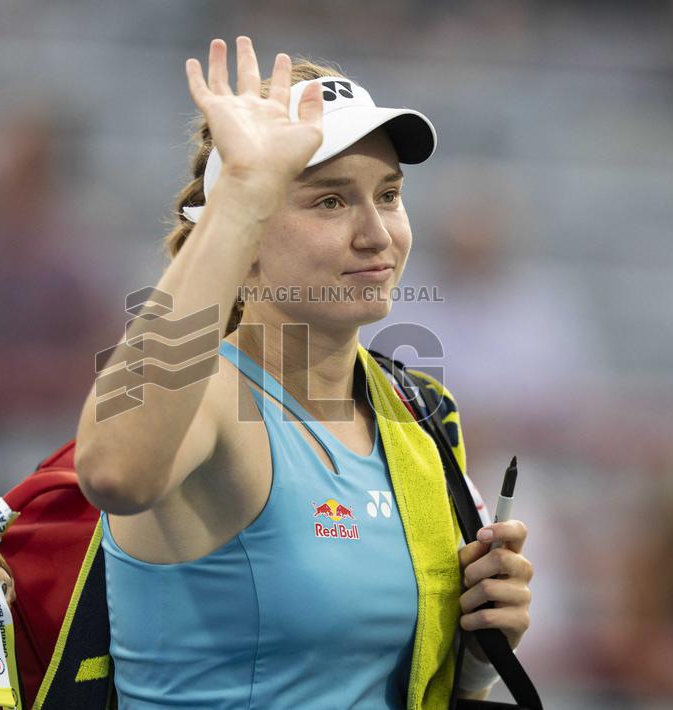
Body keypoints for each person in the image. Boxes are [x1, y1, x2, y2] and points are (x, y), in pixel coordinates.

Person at [75, 36, 533, 708]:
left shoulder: (419, 408)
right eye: (330, 202)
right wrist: (242, 194)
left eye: (390, 194)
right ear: (246, 239)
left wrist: (478, 654)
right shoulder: (213, 399)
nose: (377, 233)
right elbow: (113, 469)